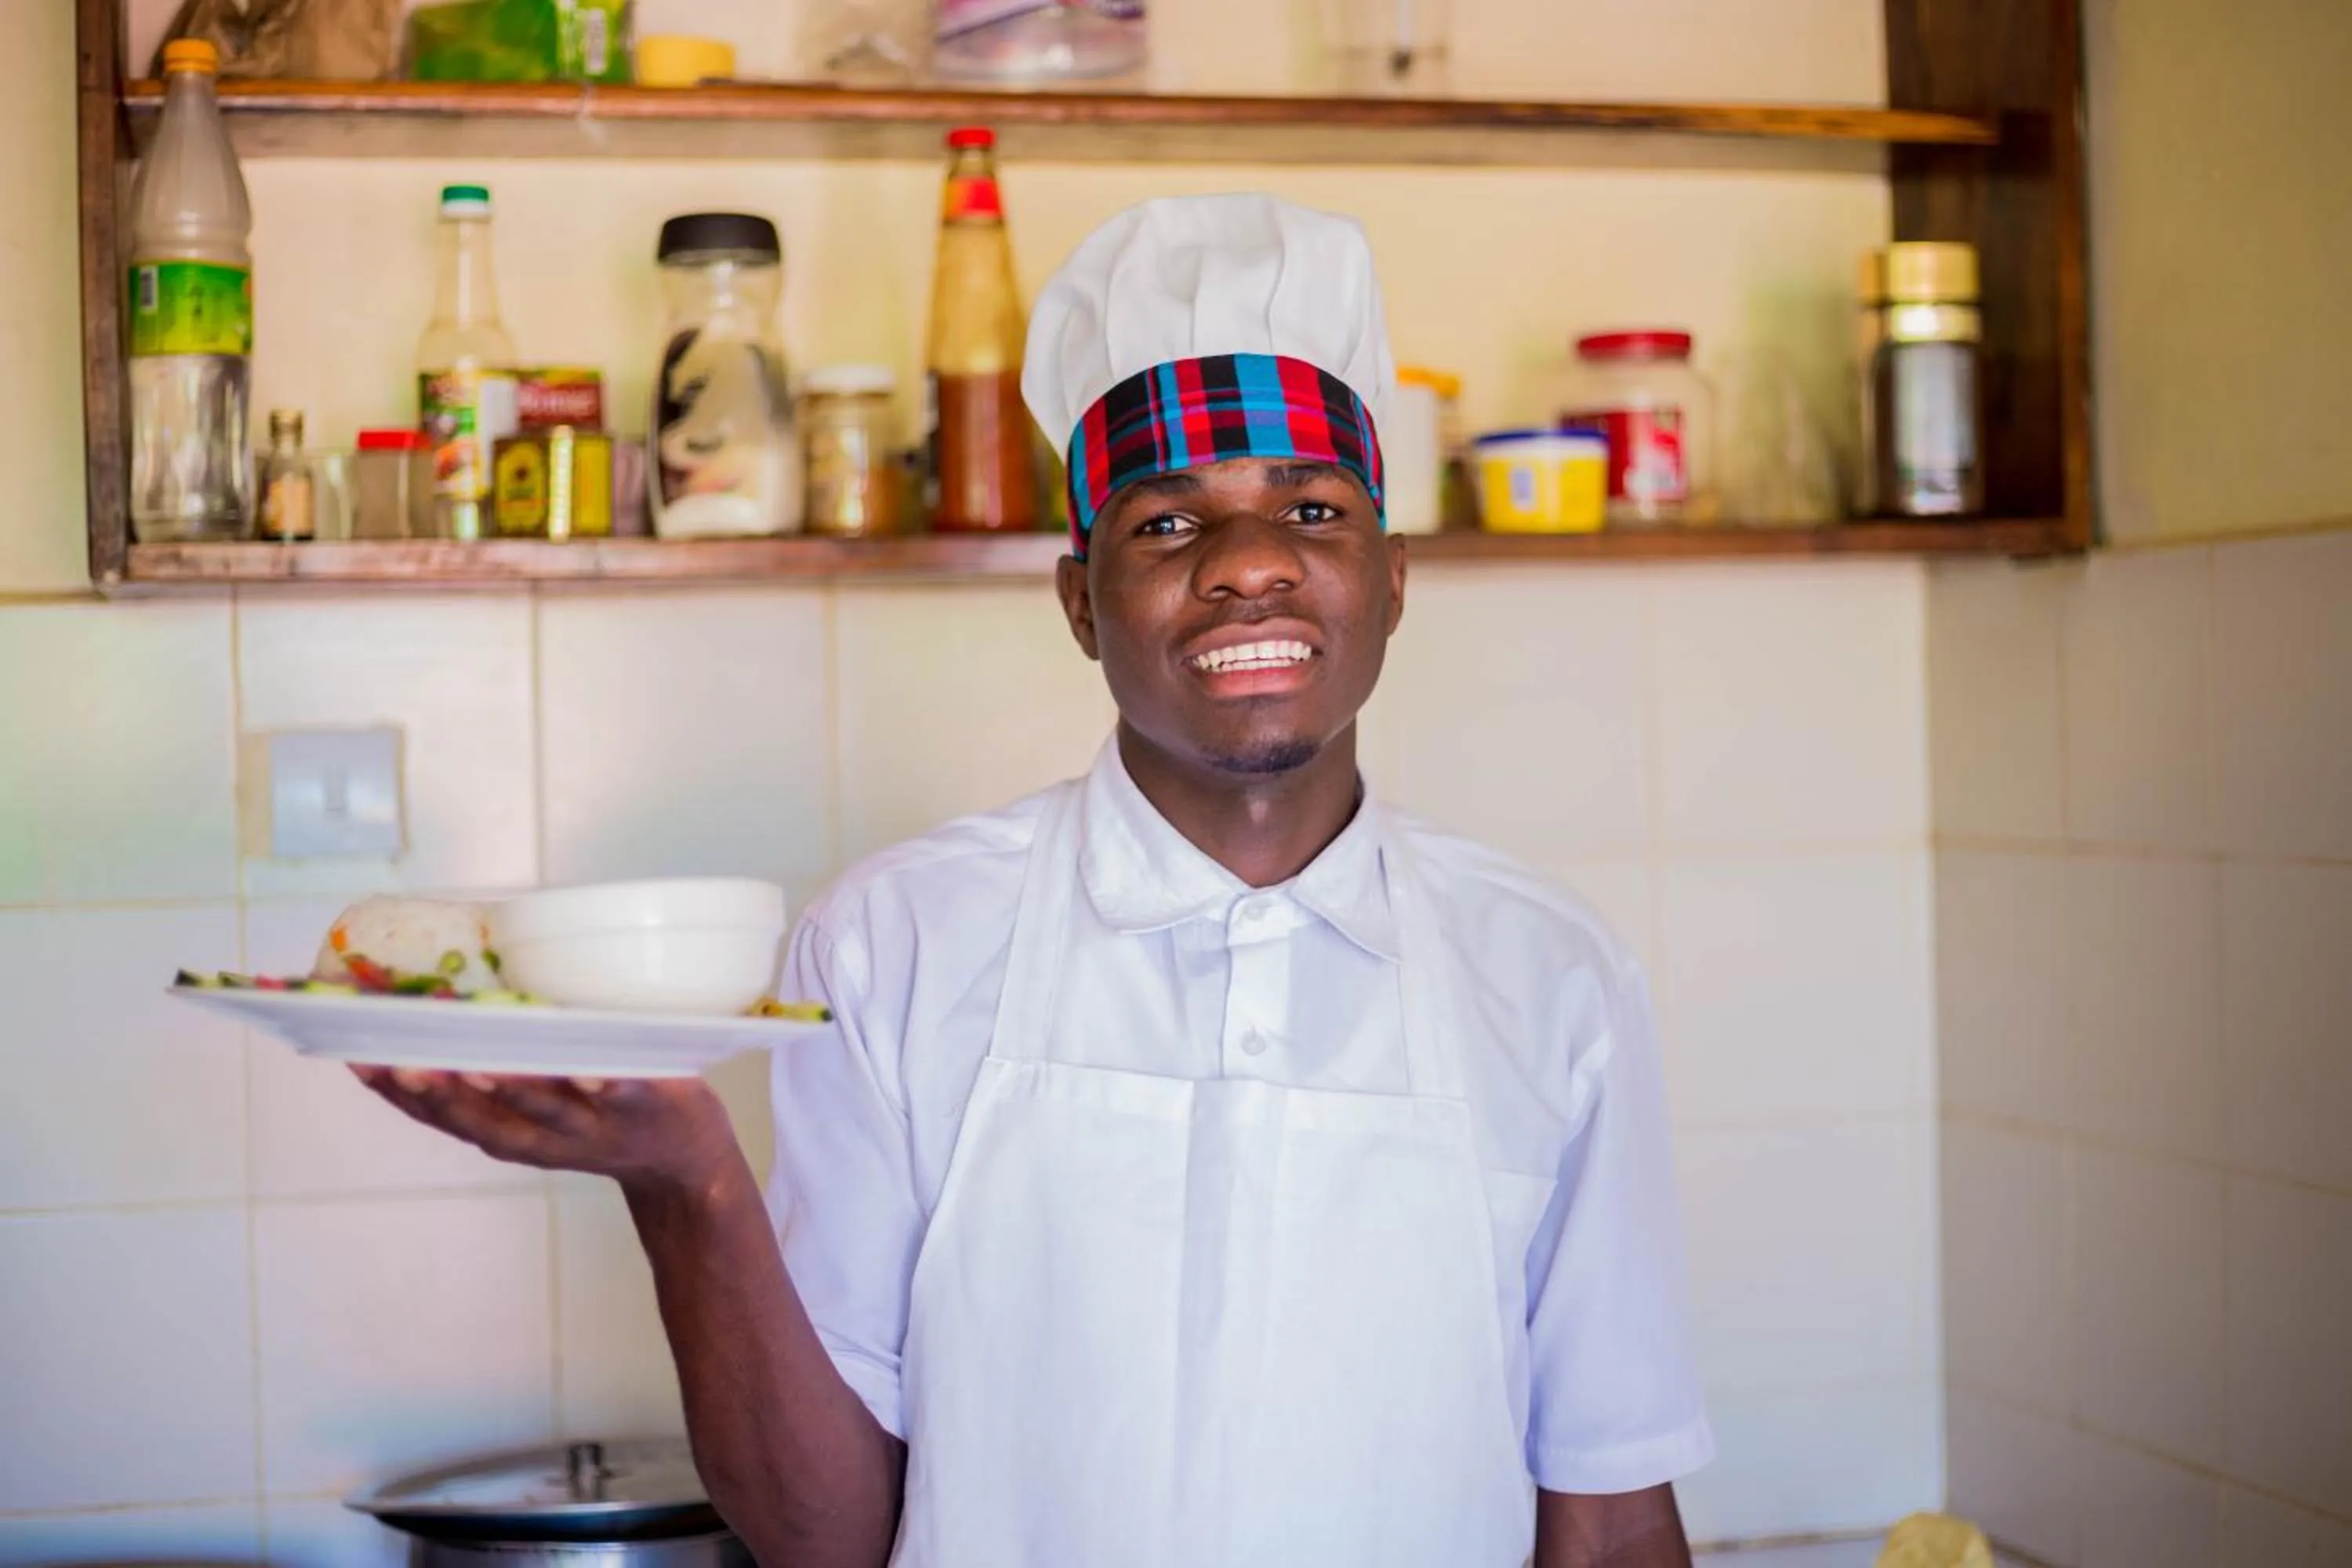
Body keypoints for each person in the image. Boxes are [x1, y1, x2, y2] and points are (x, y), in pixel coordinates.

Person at [359, 193, 1714, 1568]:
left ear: (1395, 579)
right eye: (1168, 527)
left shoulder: (1551, 974)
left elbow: (1607, 1517)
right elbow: (826, 1540)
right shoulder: (898, 941)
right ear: (1080, 602)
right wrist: (684, 1185)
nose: (1251, 564)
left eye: (1311, 508)